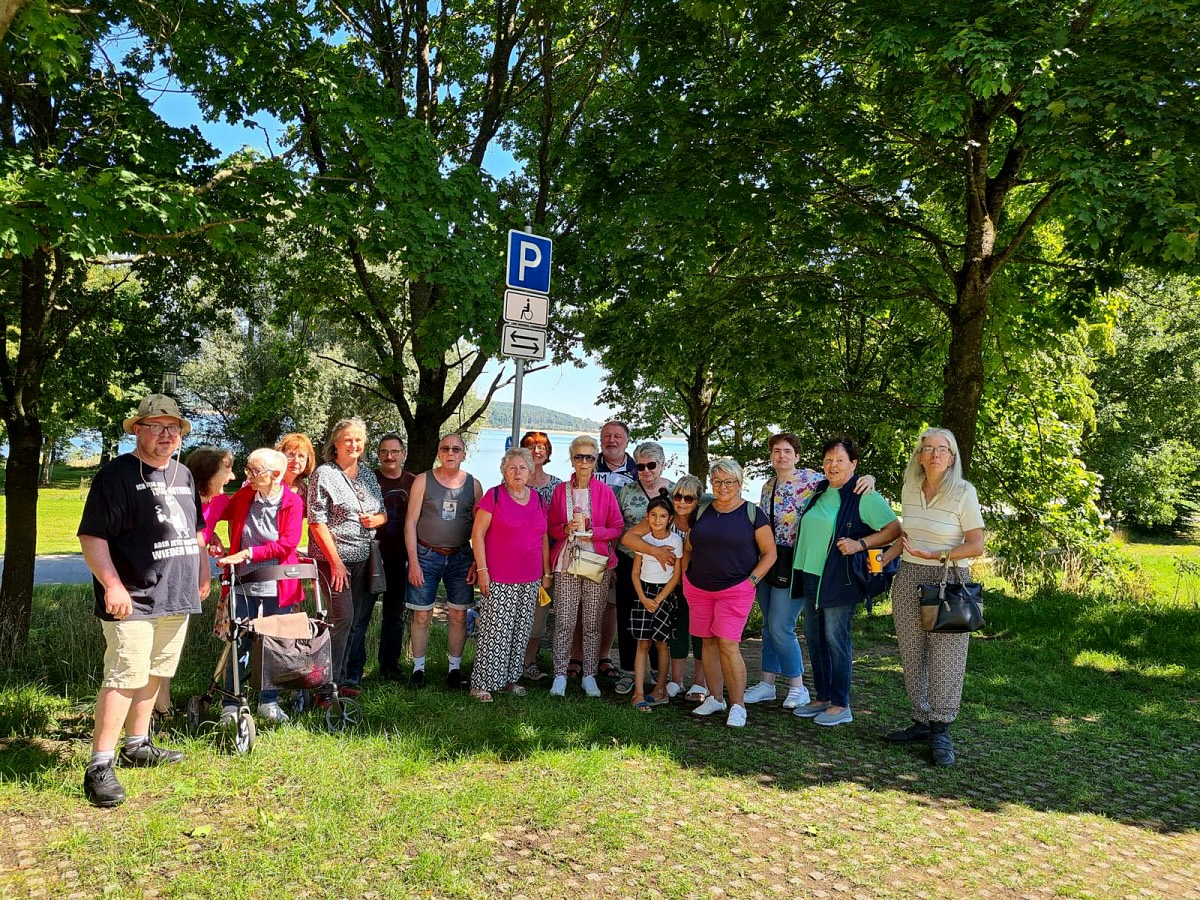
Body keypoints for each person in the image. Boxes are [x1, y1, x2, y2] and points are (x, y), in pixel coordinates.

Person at [77, 394, 209, 808]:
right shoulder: (115, 477)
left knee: (155, 672)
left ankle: (138, 744)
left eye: (174, 428)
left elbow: (197, 530)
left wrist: (203, 570)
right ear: (138, 430)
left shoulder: (184, 475)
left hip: (177, 593)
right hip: (132, 596)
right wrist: (112, 585)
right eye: (157, 427)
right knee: (124, 676)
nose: (167, 435)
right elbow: (92, 537)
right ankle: (100, 764)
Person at [745, 433, 876, 711]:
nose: (782, 456)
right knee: (769, 625)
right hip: (769, 560)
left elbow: (843, 480)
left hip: (797, 562)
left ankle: (798, 686)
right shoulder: (768, 485)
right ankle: (767, 683)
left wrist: (869, 479)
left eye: (788, 451)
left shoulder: (812, 480)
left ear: (797, 456)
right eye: (777, 451)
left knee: (782, 626)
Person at [883, 427, 985, 766]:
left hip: (949, 577)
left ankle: (941, 728)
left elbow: (976, 545)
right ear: (919, 456)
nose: (935, 454)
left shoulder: (963, 492)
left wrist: (935, 555)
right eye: (928, 448)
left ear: (952, 456)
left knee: (947, 654)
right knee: (912, 651)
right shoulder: (910, 488)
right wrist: (887, 556)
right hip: (909, 575)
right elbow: (908, 533)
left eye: (943, 449)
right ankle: (922, 720)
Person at [790, 437, 901, 727]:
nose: (832, 465)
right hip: (811, 576)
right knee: (814, 639)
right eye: (828, 459)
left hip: (841, 580)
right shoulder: (821, 489)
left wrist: (859, 544)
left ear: (853, 464)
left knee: (836, 640)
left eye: (840, 460)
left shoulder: (863, 494)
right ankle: (823, 697)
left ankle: (841, 704)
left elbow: (894, 529)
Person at [683, 458, 775, 728]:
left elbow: (770, 553)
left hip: (735, 589)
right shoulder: (702, 511)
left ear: (739, 483)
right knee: (707, 643)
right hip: (698, 589)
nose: (723, 487)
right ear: (711, 482)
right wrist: (686, 577)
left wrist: (751, 581)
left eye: (729, 482)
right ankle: (715, 697)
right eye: (718, 481)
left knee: (727, 644)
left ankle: (737, 705)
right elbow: (689, 547)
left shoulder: (752, 513)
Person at [214, 448, 304, 724]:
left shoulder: (292, 502)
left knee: (274, 643)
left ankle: (269, 702)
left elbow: (287, 543)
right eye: (248, 470)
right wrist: (210, 538)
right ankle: (230, 703)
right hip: (243, 582)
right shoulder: (245, 495)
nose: (248, 476)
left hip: (278, 583)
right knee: (238, 639)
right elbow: (217, 512)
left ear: (276, 475)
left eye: (255, 471)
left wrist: (247, 554)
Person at [151, 446, 233, 718]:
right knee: (154, 642)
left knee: (169, 644)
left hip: (187, 580)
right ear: (208, 474)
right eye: (227, 469)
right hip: (162, 575)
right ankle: (157, 708)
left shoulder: (220, 502)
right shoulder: (178, 495)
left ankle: (160, 706)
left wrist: (214, 536)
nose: (231, 477)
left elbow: (203, 528)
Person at [307, 417, 386, 693]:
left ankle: (339, 681)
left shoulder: (367, 474)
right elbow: (316, 522)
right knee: (342, 618)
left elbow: (383, 511)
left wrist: (377, 519)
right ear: (336, 444)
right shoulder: (324, 474)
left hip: (365, 559)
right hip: (333, 561)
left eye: (358, 440)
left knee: (356, 621)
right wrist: (336, 563)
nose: (354, 444)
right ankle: (322, 684)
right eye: (348, 439)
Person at [469, 448, 552, 702]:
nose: (517, 472)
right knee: (496, 630)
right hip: (499, 576)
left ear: (530, 472)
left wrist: (546, 572)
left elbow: (543, 536)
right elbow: (477, 535)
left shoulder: (537, 499)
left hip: (530, 577)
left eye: (522, 468)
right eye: (512, 467)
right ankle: (481, 682)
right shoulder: (494, 496)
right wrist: (482, 570)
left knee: (520, 630)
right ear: (504, 471)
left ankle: (508, 679)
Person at [547, 435, 624, 698]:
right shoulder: (560, 491)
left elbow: (617, 528)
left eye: (589, 457)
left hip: (596, 563)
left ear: (595, 460)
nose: (584, 462)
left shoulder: (604, 491)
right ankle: (559, 675)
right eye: (579, 457)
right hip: (567, 563)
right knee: (565, 622)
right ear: (572, 459)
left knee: (592, 622)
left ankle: (589, 675)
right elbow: (551, 528)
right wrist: (564, 528)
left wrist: (593, 531)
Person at [405, 432, 483, 688]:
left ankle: (454, 670)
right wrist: (414, 562)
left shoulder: (473, 485)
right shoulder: (422, 480)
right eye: (445, 449)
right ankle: (418, 670)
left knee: (459, 615)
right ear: (439, 453)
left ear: (464, 454)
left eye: (456, 449)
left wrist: (475, 562)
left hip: (460, 557)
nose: (451, 453)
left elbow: (480, 529)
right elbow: (410, 523)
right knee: (421, 616)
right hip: (426, 555)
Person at [623, 474, 708, 700]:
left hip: (696, 583)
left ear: (698, 500)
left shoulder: (702, 520)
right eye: (678, 496)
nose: (682, 502)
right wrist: (655, 551)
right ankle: (675, 681)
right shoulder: (663, 517)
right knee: (675, 632)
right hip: (664, 586)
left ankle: (700, 682)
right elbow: (629, 539)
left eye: (688, 498)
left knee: (699, 631)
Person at [614, 441, 673, 695]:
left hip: (667, 566)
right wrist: (612, 562)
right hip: (630, 562)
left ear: (662, 464)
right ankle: (629, 671)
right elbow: (617, 529)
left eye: (651, 465)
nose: (646, 471)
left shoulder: (675, 491)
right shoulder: (626, 492)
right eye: (640, 466)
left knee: (663, 619)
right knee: (629, 618)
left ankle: (661, 675)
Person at [628, 489, 683, 711]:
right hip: (643, 593)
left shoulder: (675, 540)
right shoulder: (643, 540)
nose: (657, 520)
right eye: (653, 515)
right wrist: (643, 597)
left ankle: (660, 689)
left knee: (662, 644)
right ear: (647, 516)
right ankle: (638, 692)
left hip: (664, 595)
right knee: (642, 643)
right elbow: (634, 573)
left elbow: (676, 575)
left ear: (670, 518)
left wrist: (659, 599)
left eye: (662, 516)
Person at [590, 420, 637, 678]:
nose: (612, 440)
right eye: (606, 435)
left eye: (617, 436)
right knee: (583, 603)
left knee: (610, 604)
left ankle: (604, 657)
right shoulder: (588, 464)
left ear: (627, 441)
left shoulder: (637, 469)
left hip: (625, 547)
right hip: (589, 544)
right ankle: (577, 656)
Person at [519, 430, 563, 681]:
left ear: (548, 453)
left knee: (538, 615)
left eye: (542, 447)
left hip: (546, 559)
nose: (537, 451)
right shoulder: (513, 480)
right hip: (516, 558)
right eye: (531, 446)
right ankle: (509, 660)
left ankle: (530, 662)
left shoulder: (556, 486)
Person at [374, 432, 416, 682]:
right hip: (370, 557)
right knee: (361, 614)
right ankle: (351, 667)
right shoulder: (369, 479)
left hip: (400, 557)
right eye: (384, 452)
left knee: (394, 615)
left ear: (403, 454)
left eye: (394, 451)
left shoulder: (413, 482)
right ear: (378, 454)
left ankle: (389, 666)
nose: (389, 456)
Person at [277, 432, 316, 505]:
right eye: (291, 454)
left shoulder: (304, 490)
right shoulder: (273, 483)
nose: (296, 460)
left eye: (301, 456)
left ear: (307, 460)